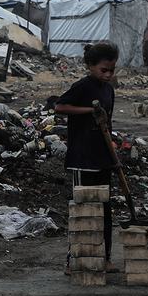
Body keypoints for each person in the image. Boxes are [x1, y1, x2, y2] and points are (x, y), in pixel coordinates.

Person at [55, 42, 120, 273]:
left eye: (112, 70)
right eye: (104, 70)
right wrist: (90, 111)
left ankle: (104, 257)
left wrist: (113, 149)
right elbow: (60, 107)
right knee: (83, 211)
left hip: (103, 158)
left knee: (105, 210)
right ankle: (74, 261)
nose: (108, 74)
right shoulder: (83, 86)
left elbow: (107, 123)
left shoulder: (108, 90)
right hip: (83, 159)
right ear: (91, 66)